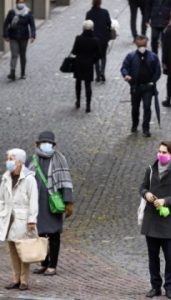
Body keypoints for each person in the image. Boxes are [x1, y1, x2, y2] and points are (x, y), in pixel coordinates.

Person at [139, 141, 171, 299]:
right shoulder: (150, 170)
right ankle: (155, 286)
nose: (161, 154)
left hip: (167, 222)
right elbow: (142, 187)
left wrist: (166, 201)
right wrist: (146, 194)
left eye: (164, 152)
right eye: (159, 151)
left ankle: (169, 287)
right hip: (151, 221)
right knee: (153, 257)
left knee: (169, 258)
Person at [27, 131, 74, 277]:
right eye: (44, 142)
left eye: (49, 143)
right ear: (37, 144)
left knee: (53, 235)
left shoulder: (60, 159)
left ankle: (53, 265)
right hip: (36, 203)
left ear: (53, 145)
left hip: (53, 202)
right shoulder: (32, 159)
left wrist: (68, 201)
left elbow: (66, 181)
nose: (46, 145)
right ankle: (44, 262)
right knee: (40, 234)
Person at [0, 148, 38, 291]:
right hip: (8, 219)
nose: (8, 161)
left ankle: (24, 280)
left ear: (20, 161)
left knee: (23, 249)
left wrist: (32, 219)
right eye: (8, 158)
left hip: (22, 219)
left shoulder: (29, 179)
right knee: (12, 250)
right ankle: (15, 278)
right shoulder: (6, 177)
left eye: (11, 159)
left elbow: (33, 200)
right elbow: (1, 199)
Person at [121, 35, 162, 137]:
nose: (142, 46)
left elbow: (158, 71)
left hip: (148, 87)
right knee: (135, 107)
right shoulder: (130, 56)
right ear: (136, 44)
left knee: (147, 107)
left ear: (146, 44)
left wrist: (153, 81)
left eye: (143, 44)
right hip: (135, 87)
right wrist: (126, 75)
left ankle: (146, 128)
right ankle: (135, 124)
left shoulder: (153, 56)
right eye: (140, 44)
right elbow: (124, 67)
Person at [71, 20, 102, 113]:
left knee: (78, 83)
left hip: (79, 62)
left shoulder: (78, 38)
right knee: (88, 85)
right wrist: (93, 60)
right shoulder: (95, 40)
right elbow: (99, 54)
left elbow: (74, 51)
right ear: (92, 28)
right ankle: (88, 105)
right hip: (88, 63)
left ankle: (78, 101)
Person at [2, 0, 36, 81]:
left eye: (22, 2)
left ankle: (23, 73)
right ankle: (12, 73)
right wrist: (6, 35)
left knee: (22, 55)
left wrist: (33, 35)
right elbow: (6, 24)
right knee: (14, 54)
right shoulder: (12, 12)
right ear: (16, 3)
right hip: (13, 37)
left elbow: (32, 25)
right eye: (19, 2)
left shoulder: (28, 12)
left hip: (24, 37)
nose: (20, 3)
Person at [86, 0, 111, 82]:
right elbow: (109, 24)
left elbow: (87, 26)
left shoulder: (89, 13)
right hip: (103, 37)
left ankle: (97, 75)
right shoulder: (105, 12)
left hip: (93, 38)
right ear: (100, 3)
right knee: (103, 56)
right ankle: (102, 72)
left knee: (95, 57)